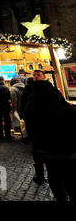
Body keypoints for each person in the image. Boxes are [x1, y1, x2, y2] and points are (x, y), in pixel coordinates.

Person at [21, 69, 76, 201]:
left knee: (55, 180)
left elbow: (28, 119)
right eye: (34, 75)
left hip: (47, 149)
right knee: (71, 180)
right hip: (67, 148)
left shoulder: (31, 101)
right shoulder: (57, 97)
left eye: (37, 75)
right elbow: (71, 117)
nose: (35, 77)